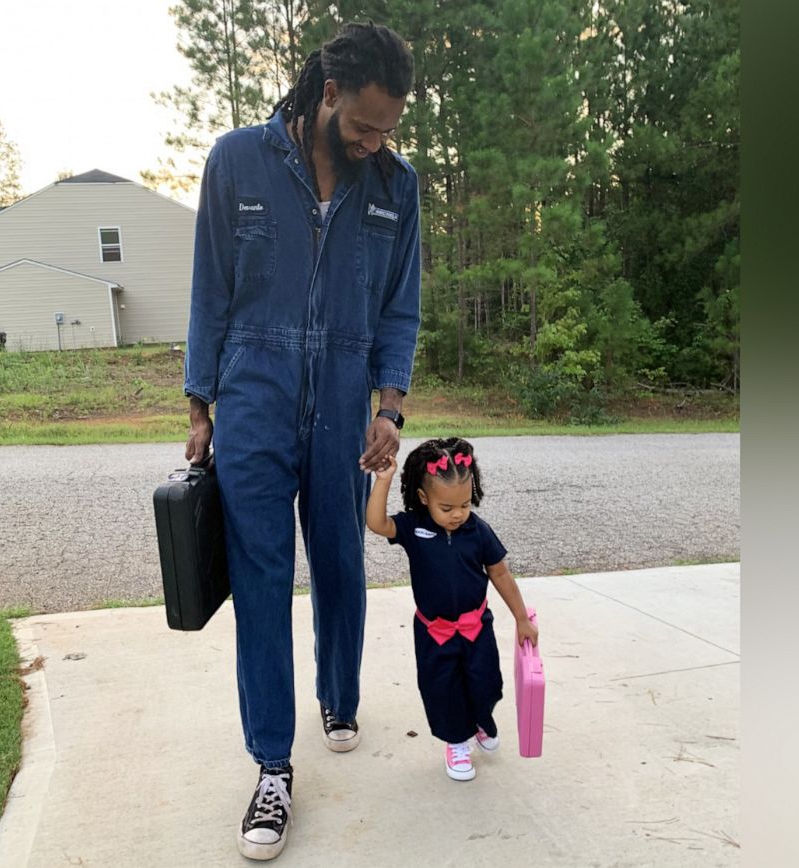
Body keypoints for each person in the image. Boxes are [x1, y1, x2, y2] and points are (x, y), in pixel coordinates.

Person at [182, 22, 420, 861]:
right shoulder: (236, 162)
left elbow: (400, 305)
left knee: (341, 561)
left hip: (348, 395)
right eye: (363, 124)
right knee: (260, 579)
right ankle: (273, 767)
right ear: (327, 95)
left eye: (388, 127)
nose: (373, 141)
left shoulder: (396, 186)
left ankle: (339, 694)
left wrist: (390, 407)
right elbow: (210, 285)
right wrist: (199, 404)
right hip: (253, 384)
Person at [366, 437, 539, 781]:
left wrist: (521, 617)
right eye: (446, 508)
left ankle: (480, 722)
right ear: (423, 498)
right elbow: (376, 524)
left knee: (486, 683)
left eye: (464, 505)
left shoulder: (478, 531)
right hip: (435, 632)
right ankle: (457, 742)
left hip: (477, 628)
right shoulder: (413, 528)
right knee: (443, 690)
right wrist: (383, 479)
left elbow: (500, 573)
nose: (457, 514)